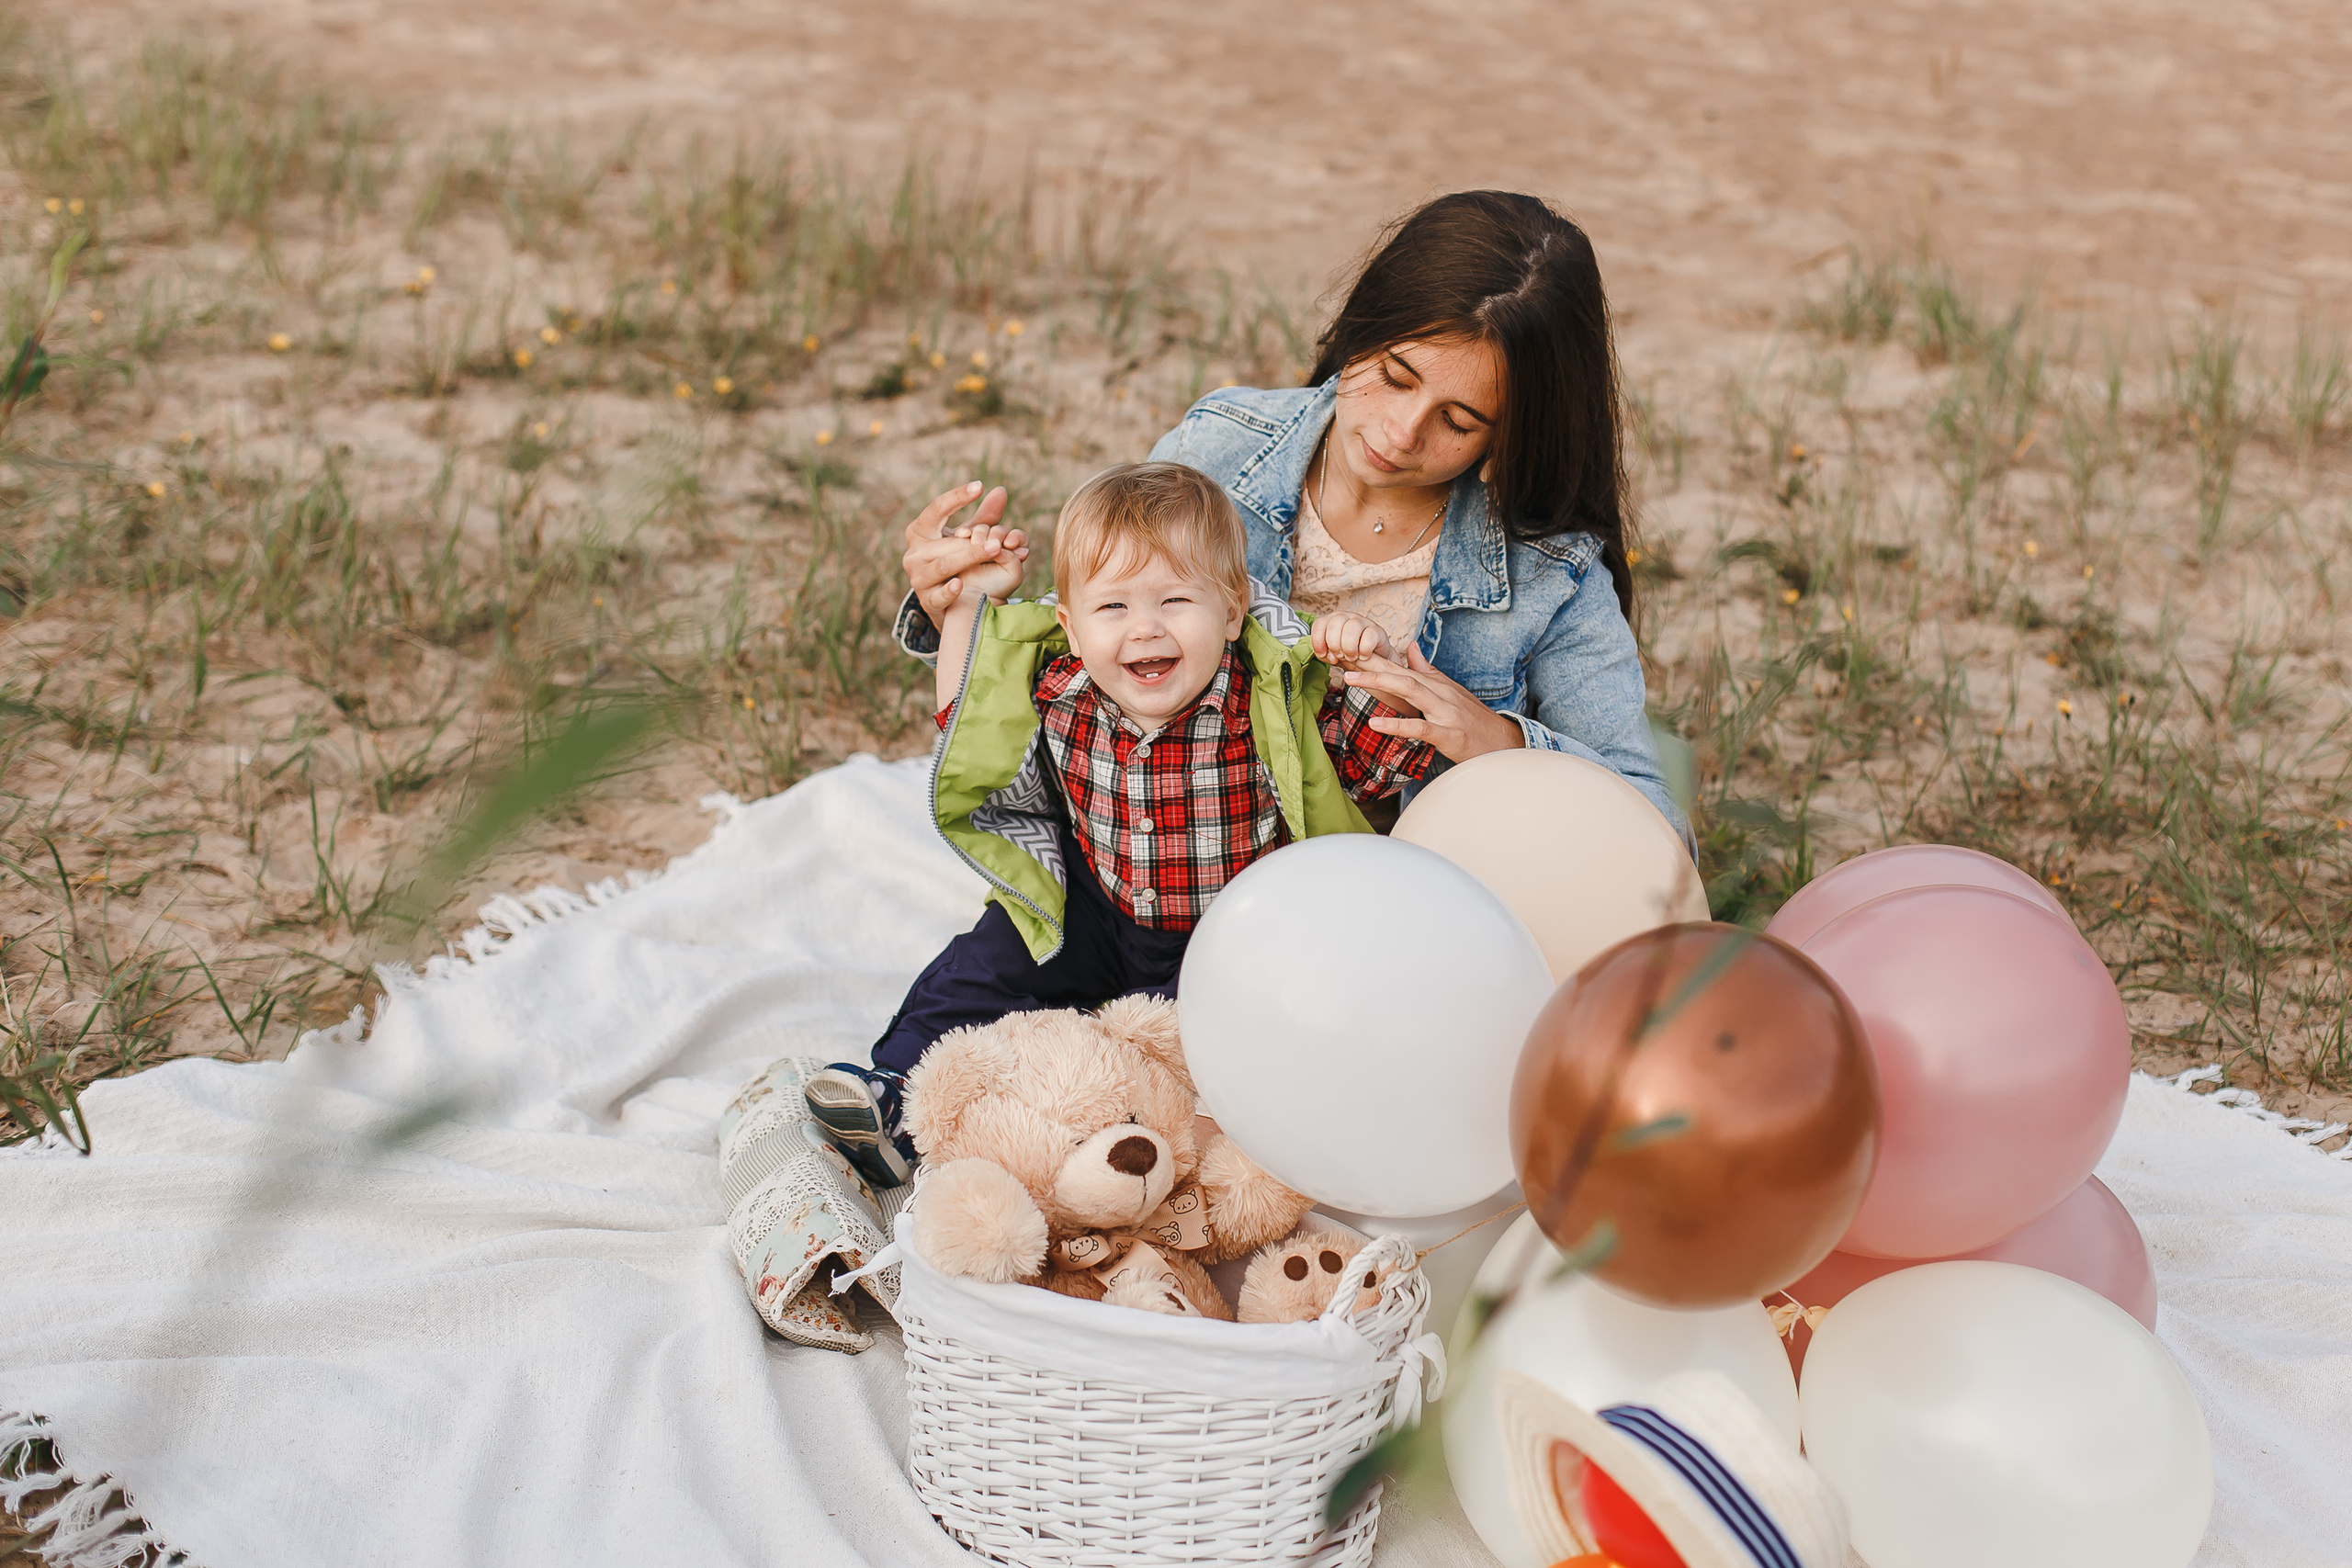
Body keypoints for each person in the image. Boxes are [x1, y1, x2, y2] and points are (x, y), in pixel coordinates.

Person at [895, 189, 1686, 841]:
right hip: (1165, 872)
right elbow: (1094, 647)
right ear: (1361, 329)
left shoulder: (1550, 571)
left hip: (1390, 911)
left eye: (1459, 421)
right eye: (1395, 374)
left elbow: (1655, 831)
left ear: (1513, 431)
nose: (1399, 433)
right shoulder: (1220, 447)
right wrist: (959, 609)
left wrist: (1499, 743)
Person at [804, 462, 1432, 1189]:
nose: (1146, 628)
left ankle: (1132, 1158)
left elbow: (1386, 753)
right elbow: (967, 706)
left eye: (1175, 600)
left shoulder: (1264, 698)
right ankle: (893, 1097)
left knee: (1198, 1064)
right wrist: (973, 605)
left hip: (1222, 939)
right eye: (1113, 609)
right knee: (982, 966)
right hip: (1094, 907)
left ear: (1232, 613)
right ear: (1070, 627)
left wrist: (1369, 658)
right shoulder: (1062, 687)